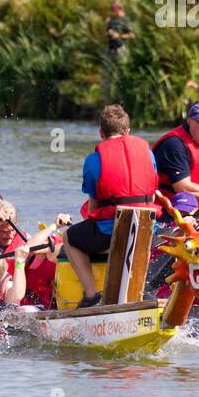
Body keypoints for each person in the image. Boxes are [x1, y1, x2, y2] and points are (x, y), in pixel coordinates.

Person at [64, 104, 159, 308]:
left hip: (112, 231)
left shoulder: (93, 159)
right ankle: (142, 289)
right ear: (127, 131)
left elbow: (94, 203)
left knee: (69, 237)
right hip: (147, 229)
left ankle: (91, 295)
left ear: (101, 133)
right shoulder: (148, 154)